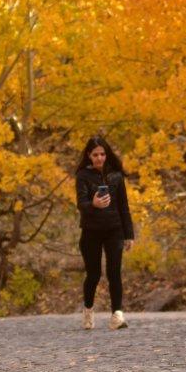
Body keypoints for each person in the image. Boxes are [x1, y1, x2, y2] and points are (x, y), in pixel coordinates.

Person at [74, 136, 135, 331]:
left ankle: (117, 314)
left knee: (114, 272)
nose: (99, 158)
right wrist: (93, 204)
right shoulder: (83, 176)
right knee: (93, 274)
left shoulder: (116, 176)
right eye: (95, 155)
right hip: (91, 231)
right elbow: (81, 204)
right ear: (89, 156)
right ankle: (88, 311)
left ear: (106, 155)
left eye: (102, 154)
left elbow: (124, 206)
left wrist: (129, 235)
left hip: (114, 230)